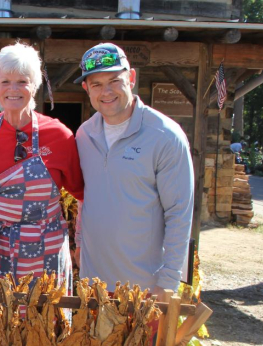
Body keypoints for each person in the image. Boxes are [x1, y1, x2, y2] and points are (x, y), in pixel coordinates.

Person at [0, 42, 83, 293]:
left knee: (43, 325)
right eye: (5, 81)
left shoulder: (59, 136)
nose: (13, 89)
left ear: (35, 86)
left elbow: (83, 193)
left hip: (45, 252)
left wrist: (84, 243)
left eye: (22, 81)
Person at [75, 42, 194, 298]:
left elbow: (179, 213)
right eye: (96, 84)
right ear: (86, 89)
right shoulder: (84, 135)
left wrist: (169, 281)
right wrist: (79, 242)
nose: (106, 91)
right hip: (93, 284)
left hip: (144, 288)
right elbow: (87, 197)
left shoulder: (165, 136)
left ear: (131, 78)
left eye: (114, 80)